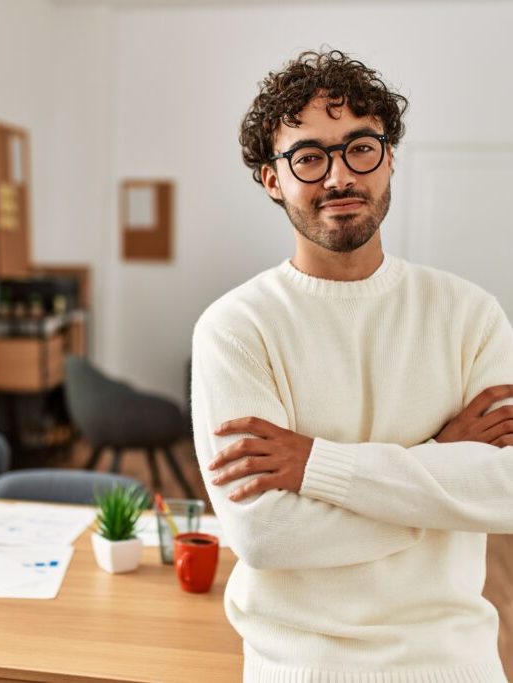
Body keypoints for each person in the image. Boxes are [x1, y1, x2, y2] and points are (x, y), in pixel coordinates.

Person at [191, 48, 513, 682]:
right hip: (302, 666)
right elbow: (267, 536)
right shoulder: (235, 329)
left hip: (456, 661)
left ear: (389, 158)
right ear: (272, 179)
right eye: (309, 157)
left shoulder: (470, 313)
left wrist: (317, 464)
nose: (339, 176)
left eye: (360, 147)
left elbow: (504, 490)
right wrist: (443, 467)